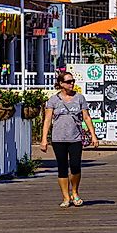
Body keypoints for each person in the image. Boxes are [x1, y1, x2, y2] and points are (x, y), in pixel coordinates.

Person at [40, 71, 99, 208]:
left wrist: (93, 135)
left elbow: (86, 117)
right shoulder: (54, 100)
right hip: (58, 138)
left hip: (75, 137)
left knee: (75, 166)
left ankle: (75, 192)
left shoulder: (79, 98)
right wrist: (44, 140)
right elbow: (47, 120)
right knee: (62, 167)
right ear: (61, 84)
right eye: (68, 81)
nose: (71, 83)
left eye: (72, 81)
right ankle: (66, 197)